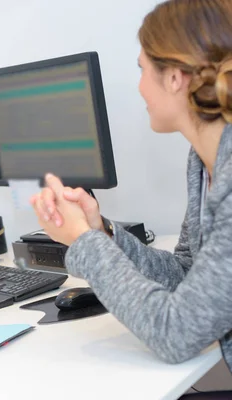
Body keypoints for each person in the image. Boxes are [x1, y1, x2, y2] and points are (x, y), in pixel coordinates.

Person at [31, 0, 232, 397]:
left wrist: (85, 245)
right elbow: (192, 275)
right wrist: (103, 233)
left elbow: (176, 334)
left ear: (174, 77)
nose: (139, 85)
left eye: (142, 69)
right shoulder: (204, 162)